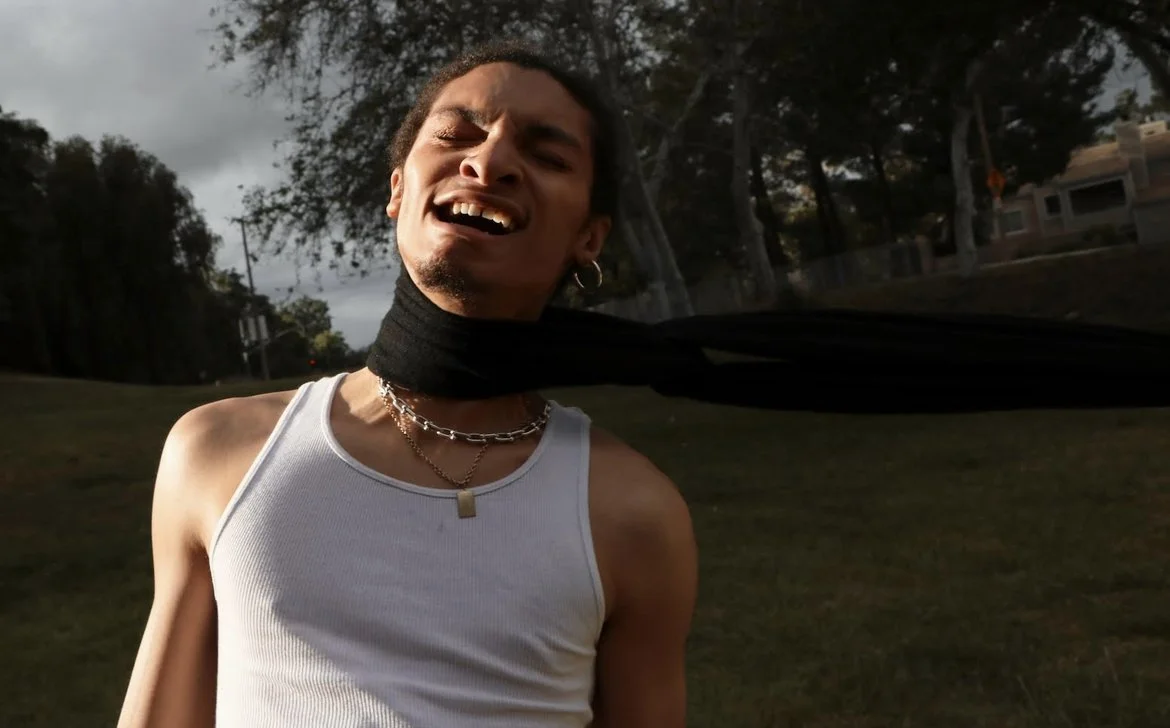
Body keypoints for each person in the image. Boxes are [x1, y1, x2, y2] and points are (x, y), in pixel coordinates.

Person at [116, 40, 698, 728]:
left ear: (590, 239)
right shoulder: (216, 452)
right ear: (398, 189)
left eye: (546, 156)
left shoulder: (633, 512)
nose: (488, 161)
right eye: (457, 133)